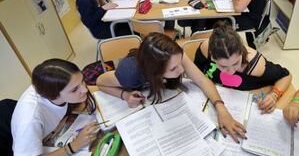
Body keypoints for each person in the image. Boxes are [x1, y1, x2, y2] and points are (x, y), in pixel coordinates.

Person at [97, 32, 245, 142]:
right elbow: (100, 82)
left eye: (181, 63)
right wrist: (125, 96)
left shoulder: (174, 56)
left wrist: (221, 108)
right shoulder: (130, 72)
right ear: (155, 71)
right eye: (173, 69)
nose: (182, 70)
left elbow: (202, 80)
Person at [11, 59, 98, 156]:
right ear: (55, 95)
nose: (85, 89)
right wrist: (74, 146)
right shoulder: (30, 119)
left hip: (51, 132)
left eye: (82, 81)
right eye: (74, 89)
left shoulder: (52, 86)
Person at [194, 21, 291, 113]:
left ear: (241, 52)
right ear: (213, 57)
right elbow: (196, 72)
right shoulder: (206, 49)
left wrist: (274, 95)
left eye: (236, 63)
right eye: (223, 66)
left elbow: (286, 75)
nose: (230, 71)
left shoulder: (255, 65)